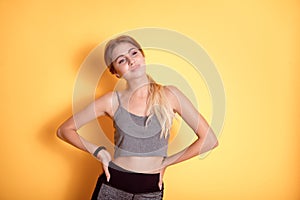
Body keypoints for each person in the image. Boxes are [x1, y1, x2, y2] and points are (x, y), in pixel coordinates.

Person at [57, 35, 219, 200]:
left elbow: (210, 140)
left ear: (142, 56)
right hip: (112, 186)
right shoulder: (111, 101)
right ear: (115, 72)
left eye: (133, 53)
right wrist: (99, 152)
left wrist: (167, 162)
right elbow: (64, 130)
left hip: (150, 191)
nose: (131, 60)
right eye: (121, 60)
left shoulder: (170, 95)